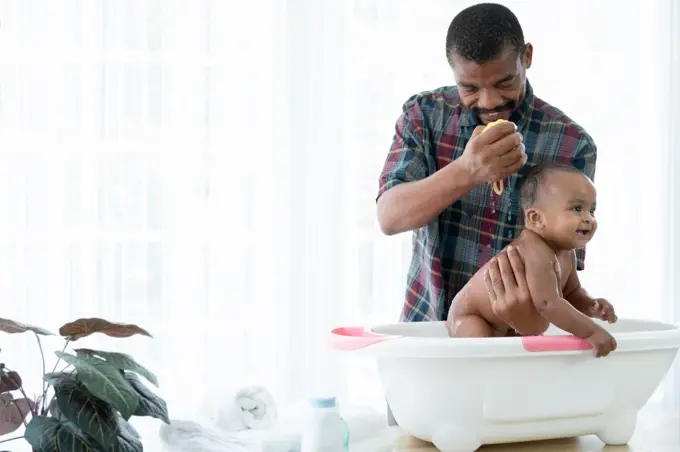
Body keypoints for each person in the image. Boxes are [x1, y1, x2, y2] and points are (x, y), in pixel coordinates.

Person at [376, 3, 598, 334]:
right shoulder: (424, 115)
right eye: (470, 88)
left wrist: (530, 324)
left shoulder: (570, 143)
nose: (489, 101)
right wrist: (467, 171)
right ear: (453, 73)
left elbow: (564, 264)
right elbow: (389, 217)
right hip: (427, 334)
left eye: (504, 82)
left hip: (518, 344)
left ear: (527, 58)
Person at [446, 163, 617, 357]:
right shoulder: (534, 252)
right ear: (536, 218)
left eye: (592, 211)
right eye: (577, 209)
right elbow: (549, 304)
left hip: (510, 321)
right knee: (482, 358)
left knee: (511, 367)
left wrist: (589, 304)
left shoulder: (566, 253)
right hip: (473, 316)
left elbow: (571, 293)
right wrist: (591, 331)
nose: (588, 218)